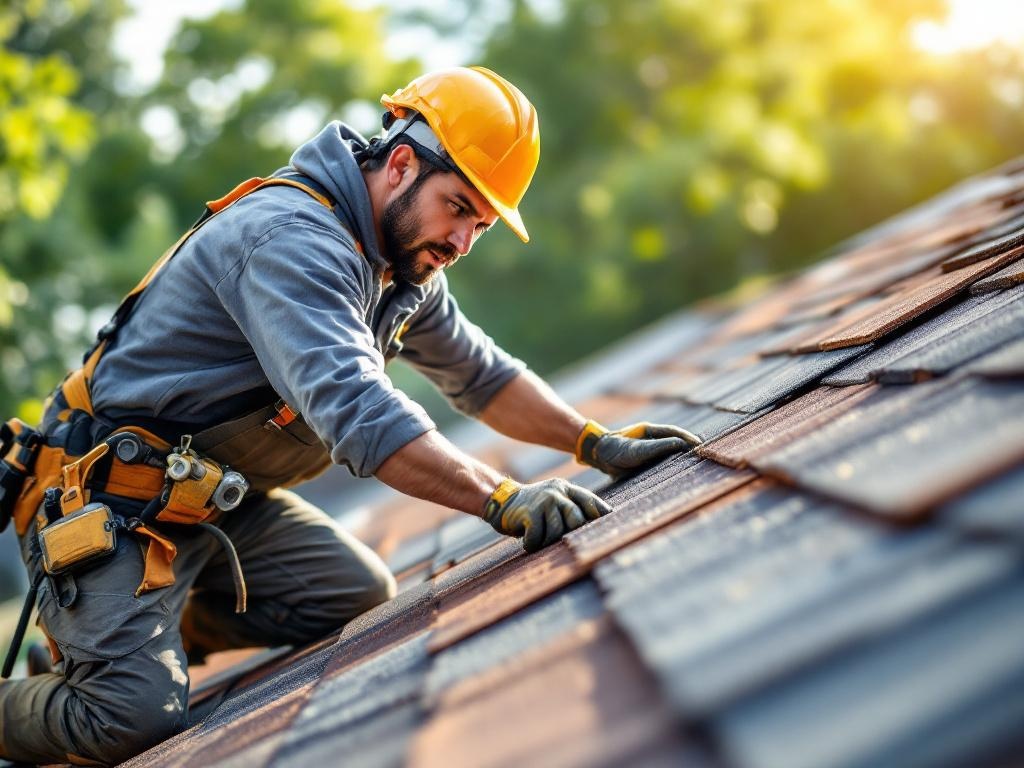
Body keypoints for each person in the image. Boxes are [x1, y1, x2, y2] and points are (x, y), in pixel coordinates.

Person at [0, 66, 700, 765]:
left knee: (350, 592)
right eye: (458, 208)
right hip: (106, 508)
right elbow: (361, 413)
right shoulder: (290, 241)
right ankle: (97, 660)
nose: (461, 242)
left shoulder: (400, 264)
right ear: (400, 165)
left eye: (480, 226)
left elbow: (480, 374)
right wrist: (504, 499)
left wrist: (593, 442)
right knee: (129, 717)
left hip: (207, 504)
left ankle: (117, 633)